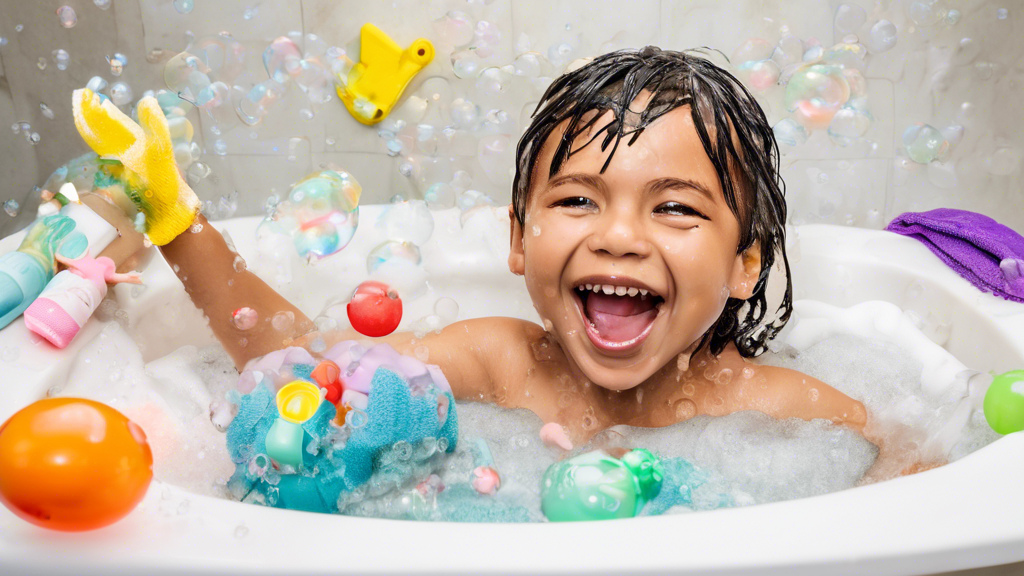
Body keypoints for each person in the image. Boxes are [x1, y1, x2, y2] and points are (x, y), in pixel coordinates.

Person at [70, 46, 867, 446]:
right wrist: (176, 222)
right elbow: (307, 366)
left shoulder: (786, 410)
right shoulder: (500, 363)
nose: (620, 236)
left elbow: (910, 476)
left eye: (675, 209)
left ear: (744, 263)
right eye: (579, 198)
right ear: (518, 239)